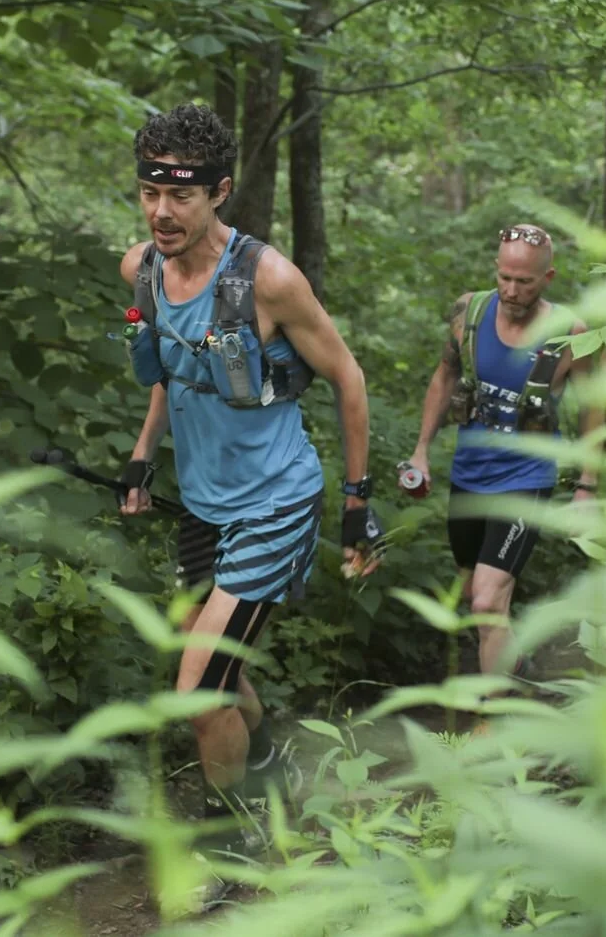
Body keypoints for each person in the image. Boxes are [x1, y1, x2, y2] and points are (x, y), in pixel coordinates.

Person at [116, 103, 385, 910]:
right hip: (203, 504)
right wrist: (141, 455)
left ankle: (233, 851)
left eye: (182, 195)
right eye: (149, 192)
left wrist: (357, 502)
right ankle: (275, 781)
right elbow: (167, 369)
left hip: (275, 501)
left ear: (219, 191)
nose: (162, 212)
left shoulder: (266, 278)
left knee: (198, 688)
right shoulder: (140, 270)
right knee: (222, 677)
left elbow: (348, 376)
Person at [406, 224, 600, 679]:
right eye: (505, 278)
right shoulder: (468, 312)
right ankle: (518, 667)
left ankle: (490, 722)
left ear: (547, 277)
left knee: (489, 599)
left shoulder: (570, 333)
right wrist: (419, 451)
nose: (512, 291)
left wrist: (588, 485)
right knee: (473, 594)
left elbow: (594, 409)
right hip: (469, 475)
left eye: (525, 282)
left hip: (527, 480)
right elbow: (444, 378)